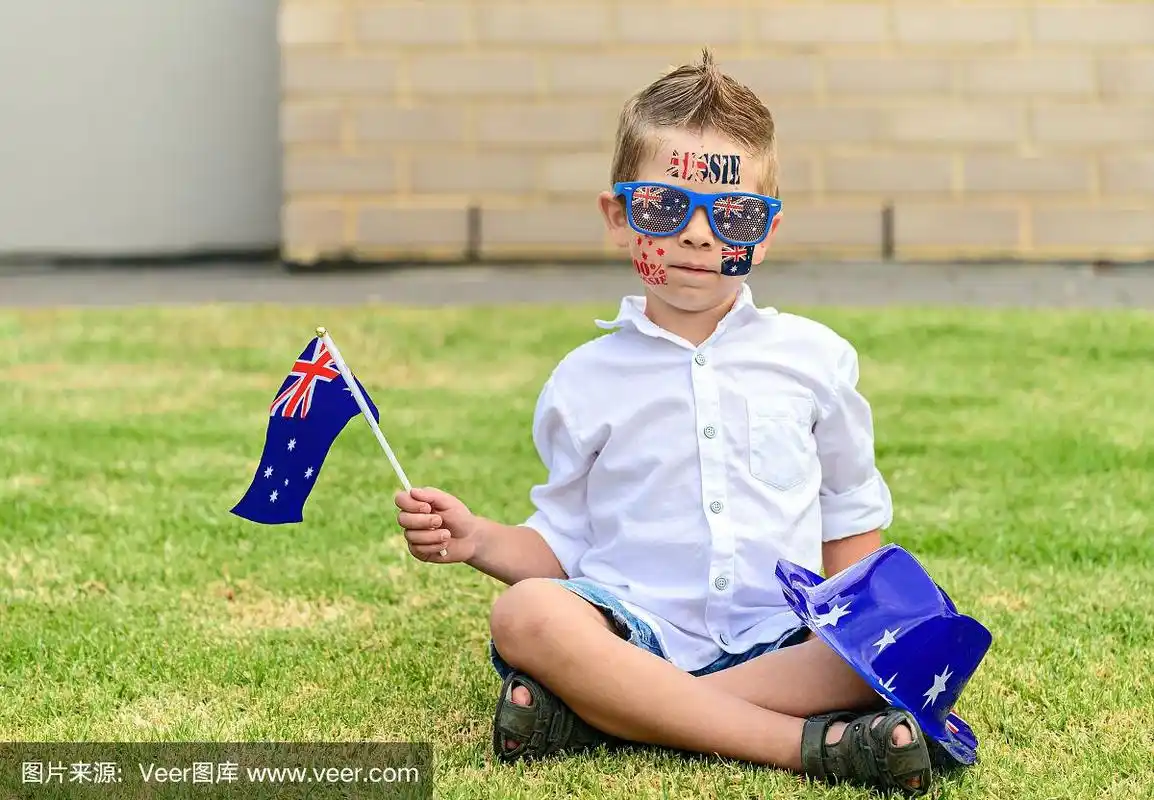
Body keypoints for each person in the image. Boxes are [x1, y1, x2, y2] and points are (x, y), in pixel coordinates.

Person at [393, 48, 934, 795]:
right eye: (663, 207)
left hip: (778, 640)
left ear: (765, 231)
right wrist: (479, 538)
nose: (699, 235)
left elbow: (849, 511)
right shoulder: (584, 379)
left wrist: (846, 634)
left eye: (734, 214)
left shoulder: (815, 359)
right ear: (619, 216)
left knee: (897, 636)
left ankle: (599, 715)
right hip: (631, 633)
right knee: (525, 615)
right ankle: (807, 746)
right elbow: (564, 545)